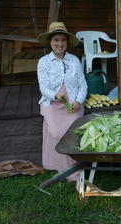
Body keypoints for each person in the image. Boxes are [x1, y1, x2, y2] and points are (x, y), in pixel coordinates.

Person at [36, 22, 88, 183]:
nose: (60, 44)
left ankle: (74, 167)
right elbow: (43, 88)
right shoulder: (44, 62)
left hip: (72, 106)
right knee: (57, 132)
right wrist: (56, 96)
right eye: (56, 40)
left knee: (73, 130)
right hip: (52, 104)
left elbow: (83, 84)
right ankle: (57, 166)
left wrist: (79, 101)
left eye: (63, 40)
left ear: (67, 43)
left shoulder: (74, 60)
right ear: (50, 43)